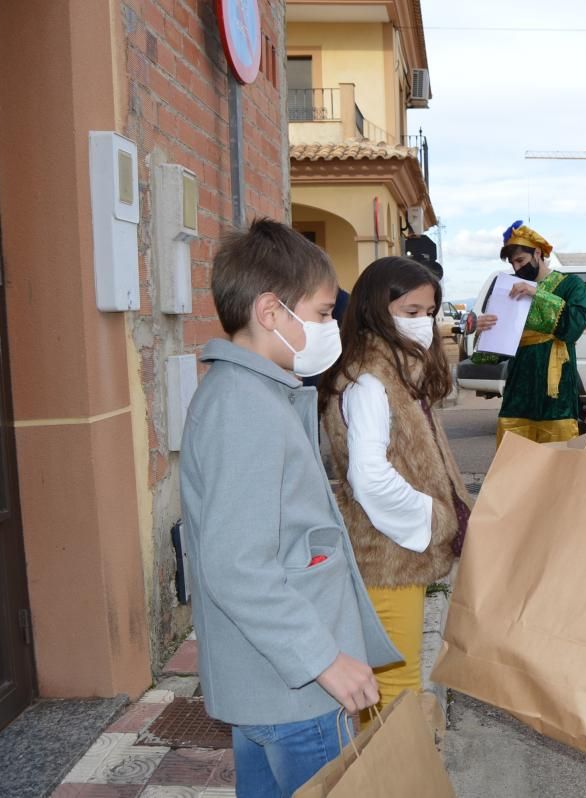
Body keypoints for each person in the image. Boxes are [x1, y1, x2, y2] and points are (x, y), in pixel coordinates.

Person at [180, 219, 401, 797]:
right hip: (296, 687)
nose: (333, 327)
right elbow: (235, 565)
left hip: (273, 682)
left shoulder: (253, 393)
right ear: (272, 312)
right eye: (325, 313)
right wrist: (325, 660)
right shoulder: (246, 408)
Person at [318, 257, 472, 714]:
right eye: (410, 312)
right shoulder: (370, 379)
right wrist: (433, 517)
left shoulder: (397, 371)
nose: (424, 324)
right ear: (375, 311)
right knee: (394, 685)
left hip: (399, 548)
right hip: (387, 554)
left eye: (429, 313)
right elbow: (368, 476)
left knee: (392, 682)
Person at [476, 220, 586, 445]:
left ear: (537, 253)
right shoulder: (509, 292)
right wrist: (483, 331)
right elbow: (490, 355)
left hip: (556, 392)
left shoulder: (571, 285)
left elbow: (574, 326)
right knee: (513, 462)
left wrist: (536, 293)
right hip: (518, 390)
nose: (517, 268)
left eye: (521, 260)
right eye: (513, 263)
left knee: (556, 465)